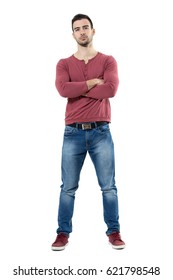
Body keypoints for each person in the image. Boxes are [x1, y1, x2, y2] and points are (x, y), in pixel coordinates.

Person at [51, 14, 125, 251]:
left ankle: (114, 232)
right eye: (77, 29)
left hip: (100, 132)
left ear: (93, 30)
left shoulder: (108, 60)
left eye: (85, 28)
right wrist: (93, 83)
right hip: (72, 133)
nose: (82, 32)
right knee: (68, 187)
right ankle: (62, 233)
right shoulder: (64, 63)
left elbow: (111, 89)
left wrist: (79, 90)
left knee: (108, 187)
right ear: (72, 34)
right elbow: (63, 89)